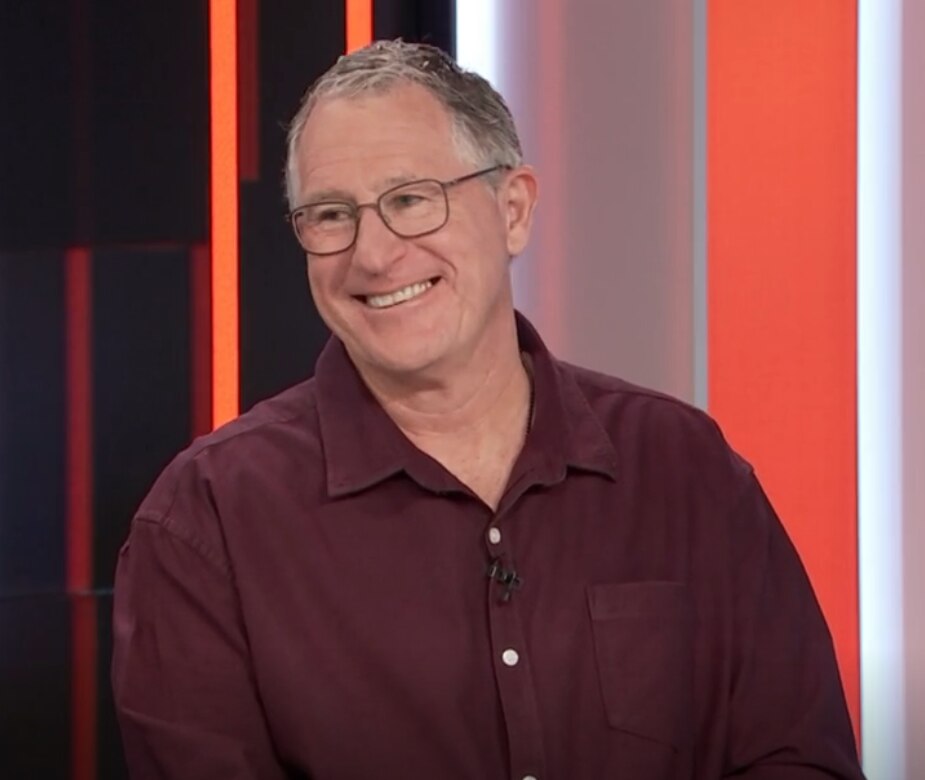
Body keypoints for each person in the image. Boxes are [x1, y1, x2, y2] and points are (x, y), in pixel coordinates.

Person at [112, 40, 865, 780]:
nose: (373, 256)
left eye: (410, 200)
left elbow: (797, 757)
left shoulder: (683, 467)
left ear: (512, 209)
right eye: (331, 215)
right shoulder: (205, 522)